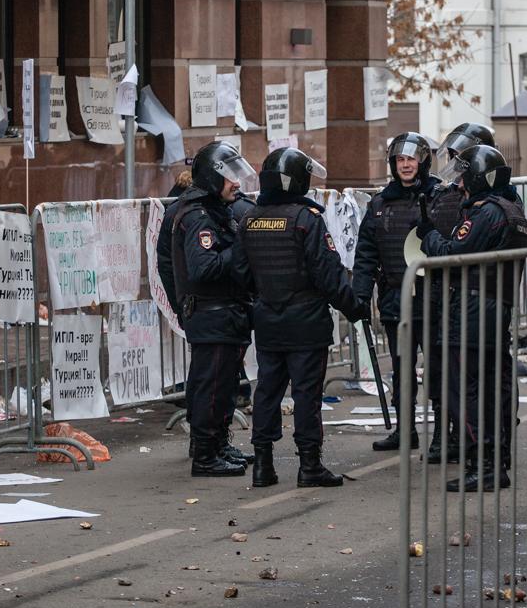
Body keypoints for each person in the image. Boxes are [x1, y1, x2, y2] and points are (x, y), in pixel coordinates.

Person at [236, 147, 364, 488]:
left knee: (267, 391)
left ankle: (263, 464)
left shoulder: (250, 219)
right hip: (306, 322)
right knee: (306, 394)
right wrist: (355, 308)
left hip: (267, 320)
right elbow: (329, 275)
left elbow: (241, 271)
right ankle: (309, 465)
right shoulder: (306, 219)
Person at [418, 144, 527, 492]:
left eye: (465, 176)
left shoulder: (487, 213)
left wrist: (430, 235)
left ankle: (481, 465)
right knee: (491, 390)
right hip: (494, 308)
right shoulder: (510, 210)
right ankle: (495, 462)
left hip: (471, 311)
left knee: (466, 392)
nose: (461, 184)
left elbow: (454, 254)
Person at [166, 141, 257, 477]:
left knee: (224, 385)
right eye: (230, 176)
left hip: (224, 312)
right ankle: (205, 454)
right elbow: (202, 268)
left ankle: (218, 444)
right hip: (211, 312)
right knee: (211, 386)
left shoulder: (214, 210)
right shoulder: (198, 216)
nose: (237, 182)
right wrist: (240, 249)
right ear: (212, 177)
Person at [352, 133, 439, 454]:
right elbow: (365, 255)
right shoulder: (379, 205)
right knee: (403, 370)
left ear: (422, 162)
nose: (406, 165)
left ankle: (444, 433)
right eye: (400, 160)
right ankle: (405, 430)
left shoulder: (438, 197)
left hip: (432, 301)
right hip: (395, 302)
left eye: (411, 159)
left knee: (438, 369)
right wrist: (358, 298)